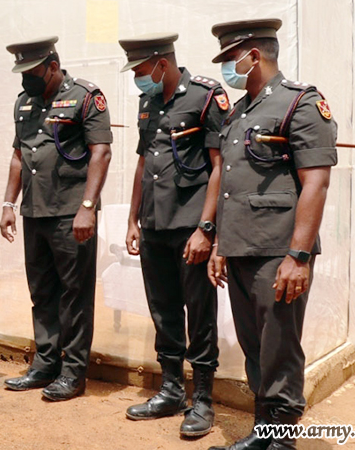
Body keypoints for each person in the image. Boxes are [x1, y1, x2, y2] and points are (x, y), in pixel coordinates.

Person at [206, 19, 337, 450]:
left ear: (253, 56)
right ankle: (264, 431)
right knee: (254, 347)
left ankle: (282, 439)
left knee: (280, 347)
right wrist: (221, 245)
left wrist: (298, 256)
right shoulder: (240, 111)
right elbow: (229, 183)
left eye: (231, 59)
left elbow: (315, 182)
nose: (228, 67)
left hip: (278, 249)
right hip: (241, 247)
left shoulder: (300, 103)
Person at [118, 33, 228, 437]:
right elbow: (144, 162)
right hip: (155, 224)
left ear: (161, 64)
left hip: (190, 226)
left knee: (199, 313)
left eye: (141, 70)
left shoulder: (205, 96)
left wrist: (206, 228)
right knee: (163, 309)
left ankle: (202, 400)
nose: (137, 78)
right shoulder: (148, 103)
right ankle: (171, 390)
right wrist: (133, 218)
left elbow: (219, 166)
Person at [0, 36, 113, 401]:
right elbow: (19, 156)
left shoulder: (85, 96)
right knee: (42, 291)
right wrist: (7, 204)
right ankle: (45, 363)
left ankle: (74, 372)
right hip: (35, 211)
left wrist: (88, 206)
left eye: (30, 72)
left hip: (71, 214)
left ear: (52, 66)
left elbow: (102, 153)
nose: (24, 80)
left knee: (75, 295)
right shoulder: (23, 102)